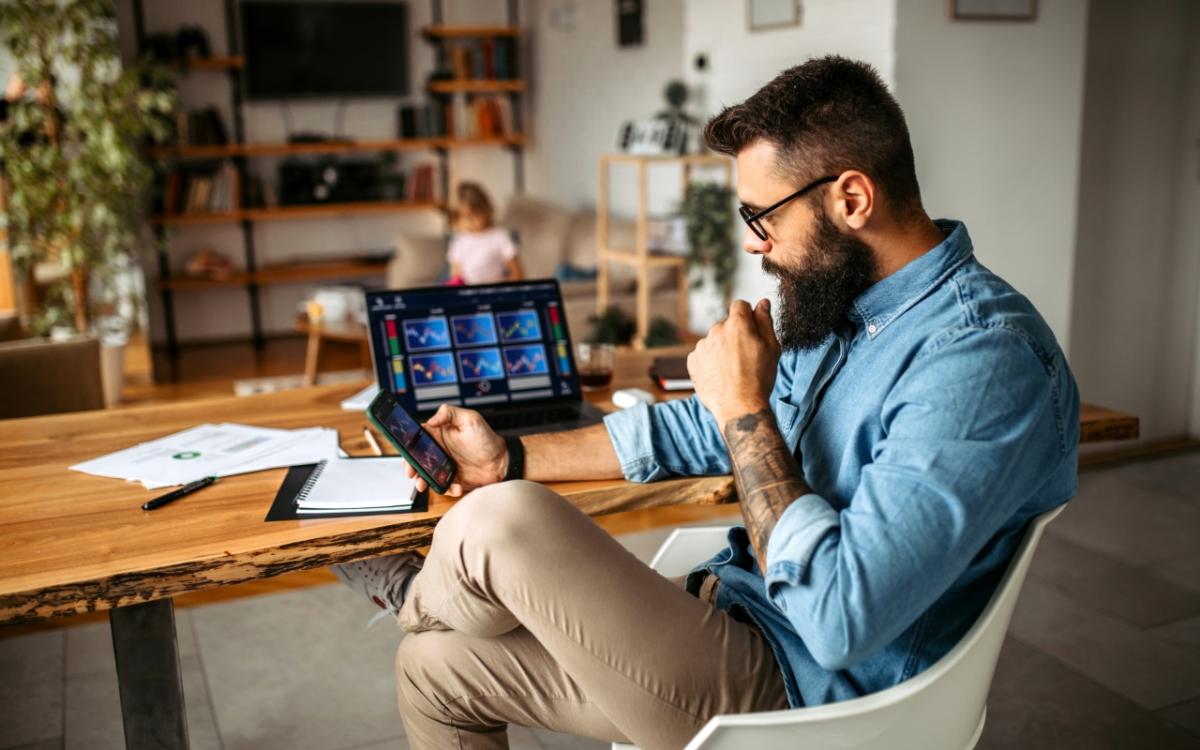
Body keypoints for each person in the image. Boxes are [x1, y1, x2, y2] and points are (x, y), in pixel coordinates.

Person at [333, 55, 1079, 750]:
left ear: (851, 198)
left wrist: (742, 406)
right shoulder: (846, 307)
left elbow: (838, 618)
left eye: (763, 216)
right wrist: (512, 455)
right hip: (733, 618)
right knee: (432, 669)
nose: (754, 245)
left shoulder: (980, 363)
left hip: (806, 692)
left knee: (500, 519)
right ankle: (439, 600)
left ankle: (416, 592)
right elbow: (701, 426)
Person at [446, 181, 522, 285]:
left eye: (473, 215)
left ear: (485, 209)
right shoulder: (460, 240)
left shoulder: (499, 236)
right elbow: (456, 273)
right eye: (462, 217)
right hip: (469, 293)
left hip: (494, 292)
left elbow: (516, 272)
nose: (469, 222)